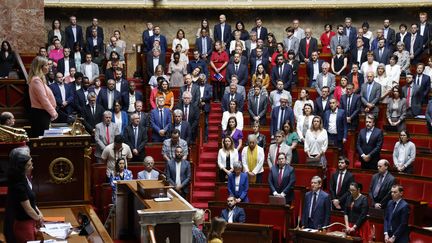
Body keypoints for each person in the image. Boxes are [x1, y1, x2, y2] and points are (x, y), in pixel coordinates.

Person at [28, 56, 58, 137]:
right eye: (46, 65)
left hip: (42, 113)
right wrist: (53, 113)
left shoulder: (38, 79)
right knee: (42, 141)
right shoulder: (36, 80)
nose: (48, 67)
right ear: (40, 67)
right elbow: (43, 99)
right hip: (40, 115)